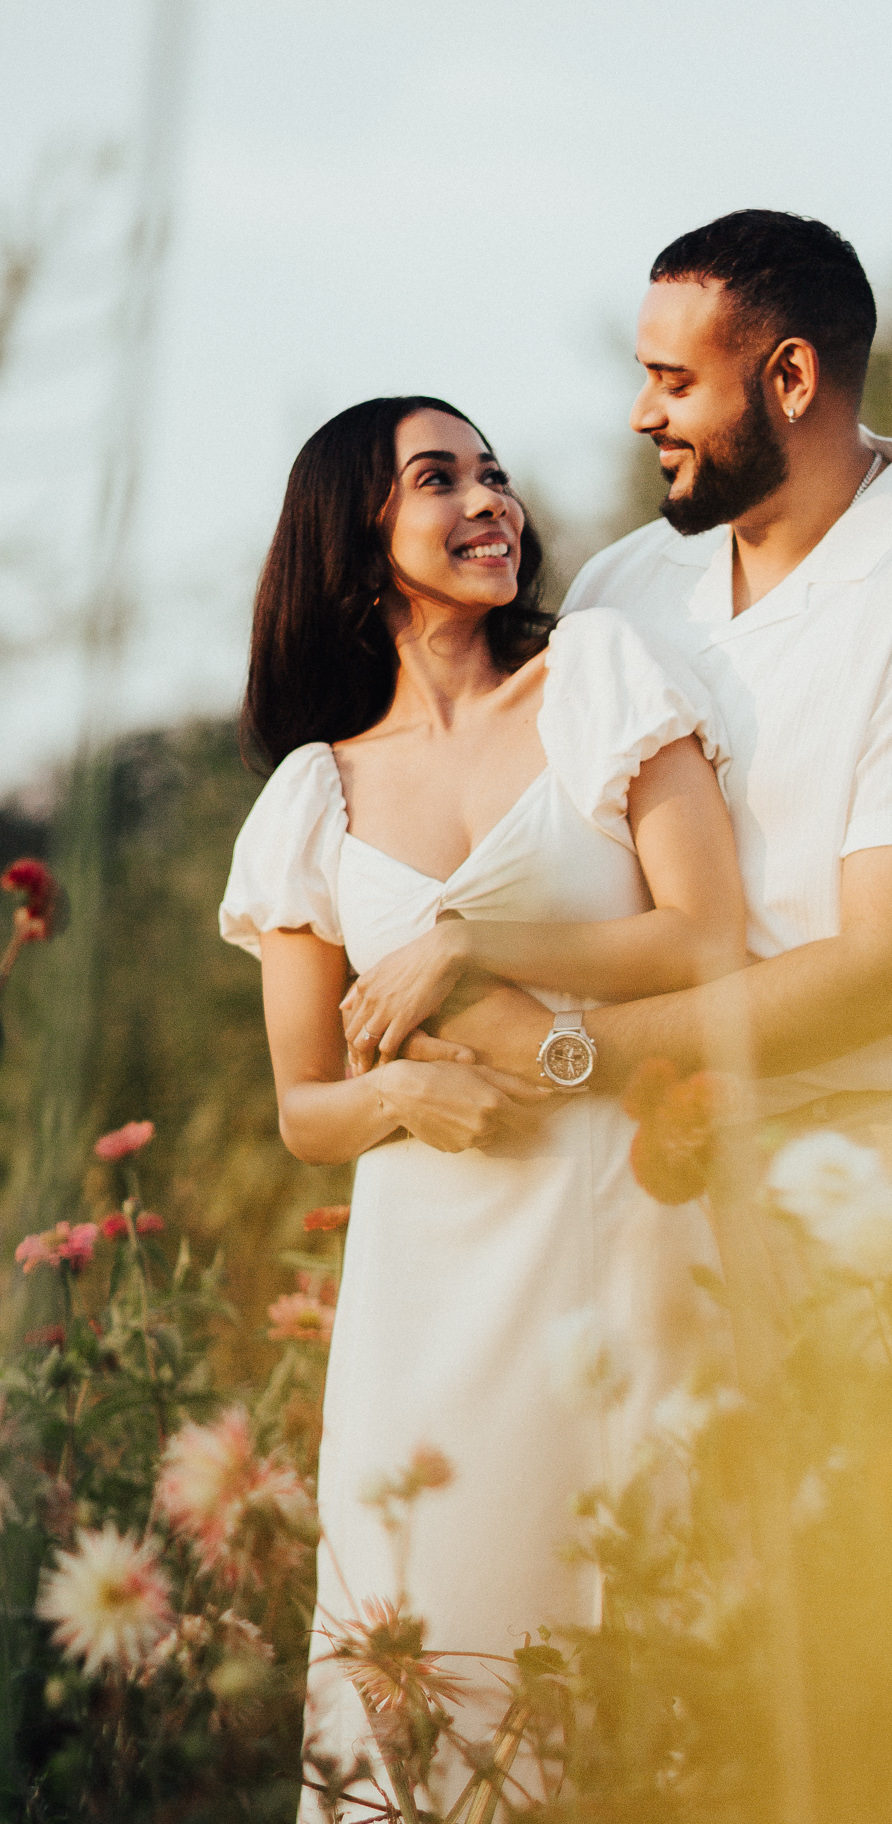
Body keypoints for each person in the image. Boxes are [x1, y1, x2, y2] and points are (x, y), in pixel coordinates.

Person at [218, 395, 746, 1812]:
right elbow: (305, 1110)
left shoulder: (596, 679)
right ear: (356, 533)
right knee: (422, 1679)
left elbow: (705, 935)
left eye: (496, 473)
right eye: (437, 478)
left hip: (611, 1245)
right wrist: (404, 1090)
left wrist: (473, 942)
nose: (488, 499)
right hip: (417, 1319)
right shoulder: (310, 803)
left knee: (617, 1633)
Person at [397, 211, 892, 1206]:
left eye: (675, 382)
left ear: (790, 380)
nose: (641, 412)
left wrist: (560, 1051)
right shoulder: (621, 584)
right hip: (647, 1178)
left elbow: (888, 969)